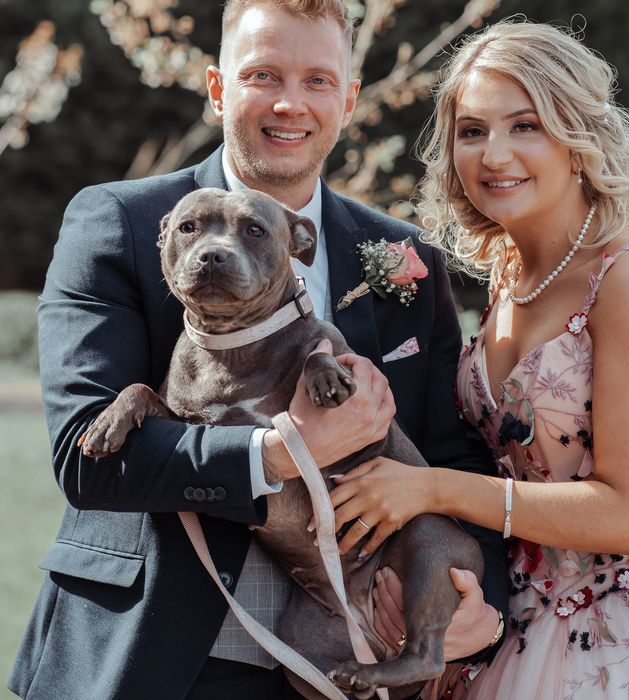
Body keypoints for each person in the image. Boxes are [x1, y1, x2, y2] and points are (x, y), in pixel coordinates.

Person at [8, 2, 509, 698]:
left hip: (347, 659)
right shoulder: (121, 222)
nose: (289, 104)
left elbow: (454, 456)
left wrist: (480, 607)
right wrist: (280, 451)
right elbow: (84, 460)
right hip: (154, 654)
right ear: (218, 89)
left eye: (317, 81)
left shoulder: (402, 256)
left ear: (349, 98)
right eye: (262, 75)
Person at [324, 19, 629, 698]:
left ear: (576, 138)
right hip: (509, 633)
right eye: (472, 131)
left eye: (525, 125)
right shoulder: (506, 277)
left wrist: (432, 487)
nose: (494, 154)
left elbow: (628, 514)